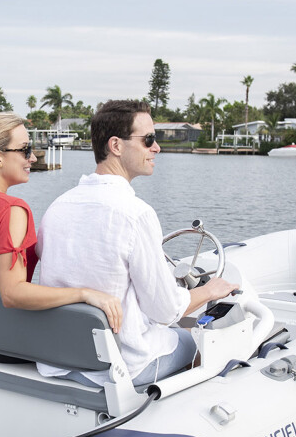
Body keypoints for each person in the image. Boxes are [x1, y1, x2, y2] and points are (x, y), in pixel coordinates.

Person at [37, 99, 239, 386]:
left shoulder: (57, 206)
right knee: (200, 341)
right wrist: (208, 291)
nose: (157, 148)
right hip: (120, 366)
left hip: (59, 360)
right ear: (116, 146)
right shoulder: (136, 214)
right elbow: (166, 312)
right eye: (148, 140)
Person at [0, 112, 122, 332]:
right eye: (25, 150)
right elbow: (12, 294)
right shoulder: (10, 210)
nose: (32, 158)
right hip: (3, 336)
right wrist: (84, 293)